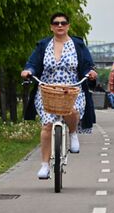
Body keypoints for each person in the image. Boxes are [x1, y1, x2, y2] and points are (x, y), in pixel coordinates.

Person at [22, 12, 97, 179]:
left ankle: (72, 133)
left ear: (68, 26)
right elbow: (33, 63)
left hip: (72, 89)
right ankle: (44, 166)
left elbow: (87, 65)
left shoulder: (77, 44)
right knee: (47, 124)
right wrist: (29, 71)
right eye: (56, 23)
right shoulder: (43, 45)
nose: (60, 25)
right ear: (51, 27)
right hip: (48, 90)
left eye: (63, 23)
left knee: (72, 110)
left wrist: (90, 73)